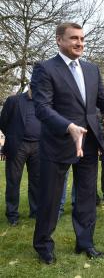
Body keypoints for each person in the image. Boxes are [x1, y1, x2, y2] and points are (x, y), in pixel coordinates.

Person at [31, 22, 104, 265]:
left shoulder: (91, 69)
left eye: (82, 38)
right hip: (58, 142)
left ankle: (85, 242)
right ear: (59, 40)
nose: (80, 43)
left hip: (89, 142)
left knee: (87, 196)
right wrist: (68, 127)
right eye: (74, 38)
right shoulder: (44, 69)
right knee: (50, 197)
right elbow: (42, 108)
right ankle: (43, 245)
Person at [0, 88, 40, 226]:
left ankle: (35, 211)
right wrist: (13, 136)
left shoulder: (42, 102)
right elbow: (3, 122)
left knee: (36, 181)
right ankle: (12, 215)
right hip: (18, 146)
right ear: (31, 85)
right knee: (13, 181)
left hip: (38, 146)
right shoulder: (14, 100)